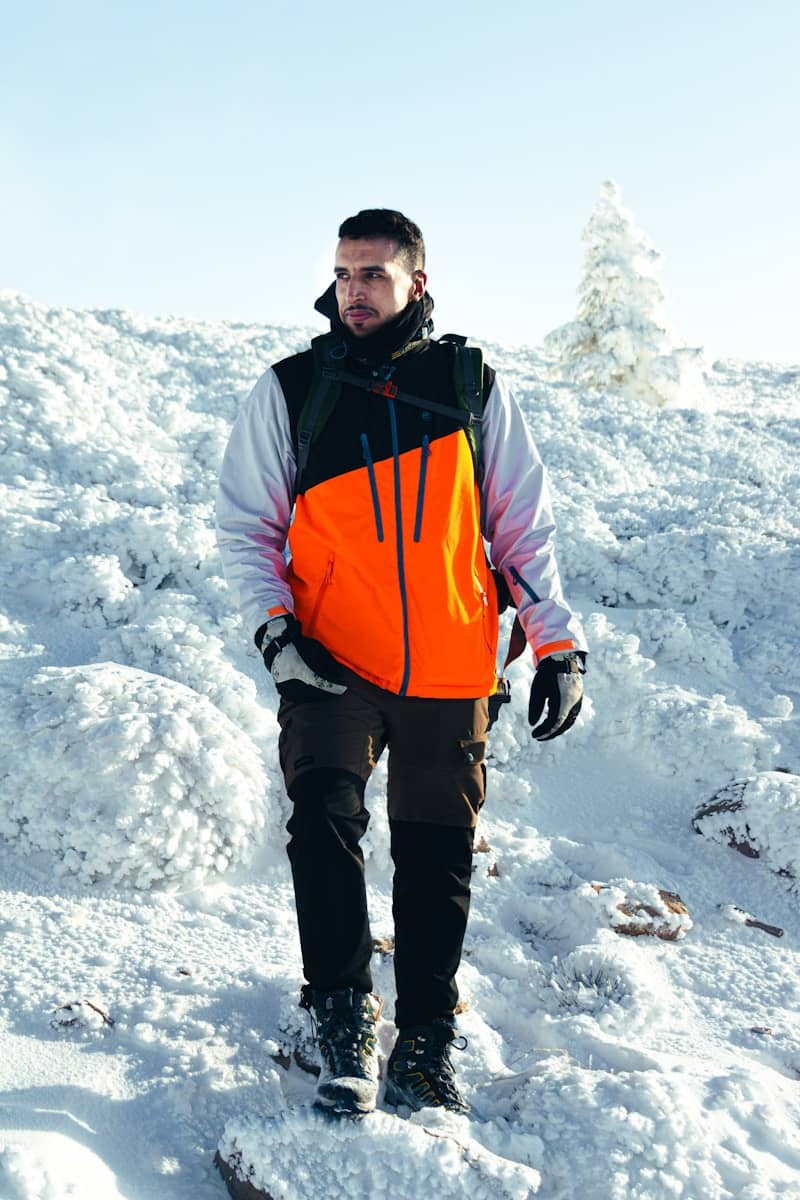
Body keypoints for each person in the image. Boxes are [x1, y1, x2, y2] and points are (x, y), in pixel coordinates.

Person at [216, 209, 587, 1117]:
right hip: (330, 662)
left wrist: (557, 642)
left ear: (416, 282)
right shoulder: (294, 388)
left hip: (452, 665)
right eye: (343, 273)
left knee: (437, 855)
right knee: (324, 820)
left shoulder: (468, 384)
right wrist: (277, 632)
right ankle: (341, 1015)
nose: (353, 290)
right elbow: (246, 525)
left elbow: (521, 525)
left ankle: (424, 1042)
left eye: (373, 274)